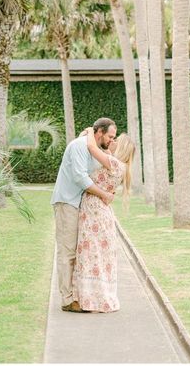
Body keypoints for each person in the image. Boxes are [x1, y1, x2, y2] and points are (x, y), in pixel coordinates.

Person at [51, 118, 117, 313]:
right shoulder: (79, 146)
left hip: (79, 205)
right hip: (67, 202)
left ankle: (78, 295)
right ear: (99, 133)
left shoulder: (93, 148)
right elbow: (80, 177)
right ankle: (67, 299)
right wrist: (104, 195)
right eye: (110, 136)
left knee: (79, 252)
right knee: (67, 251)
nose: (112, 140)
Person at [72, 126, 135, 313]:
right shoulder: (119, 166)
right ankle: (97, 297)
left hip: (95, 212)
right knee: (97, 254)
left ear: (121, 148)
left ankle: (91, 299)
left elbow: (92, 148)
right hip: (100, 211)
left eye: (116, 141)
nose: (112, 142)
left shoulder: (113, 164)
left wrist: (90, 131)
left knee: (90, 253)